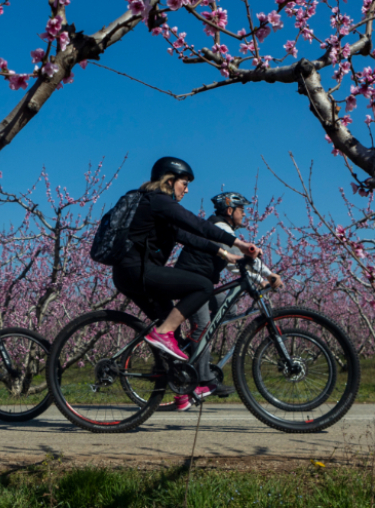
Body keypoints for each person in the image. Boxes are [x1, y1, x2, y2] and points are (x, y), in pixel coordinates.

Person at [112, 158, 262, 371]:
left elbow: (188, 236)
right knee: (203, 286)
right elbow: (196, 224)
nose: (187, 190)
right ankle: (163, 335)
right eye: (184, 183)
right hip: (138, 272)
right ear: (169, 181)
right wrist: (238, 243)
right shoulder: (159, 201)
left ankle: (173, 379)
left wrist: (224, 253)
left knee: (170, 326)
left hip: (128, 274)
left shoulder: (155, 207)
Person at [171, 191, 282, 408]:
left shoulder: (222, 229)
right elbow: (243, 258)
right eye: (241, 210)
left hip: (203, 283)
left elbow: (234, 264)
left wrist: (260, 279)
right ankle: (203, 379)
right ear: (230, 211)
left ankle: (191, 352)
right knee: (203, 326)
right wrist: (269, 275)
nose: (244, 214)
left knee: (228, 308)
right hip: (191, 283)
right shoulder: (221, 229)